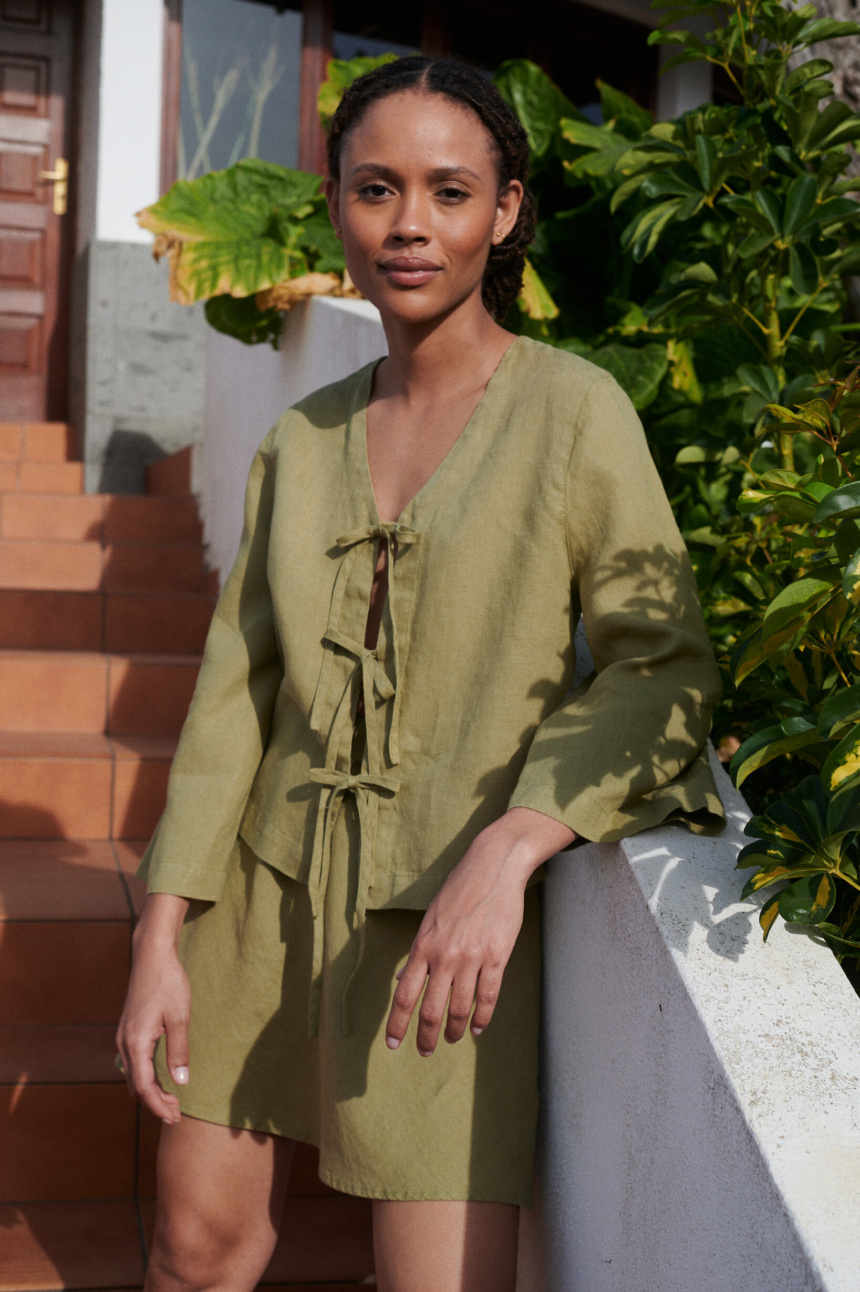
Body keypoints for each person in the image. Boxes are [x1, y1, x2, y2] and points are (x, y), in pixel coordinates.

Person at [117, 56, 724, 1292]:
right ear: (335, 205)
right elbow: (233, 694)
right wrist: (162, 932)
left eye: (448, 192)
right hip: (254, 902)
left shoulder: (573, 411)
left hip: (443, 929)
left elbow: (662, 668)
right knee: (193, 1250)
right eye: (375, 188)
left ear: (502, 213)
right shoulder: (301, 436)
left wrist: (512, 847)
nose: (408, 225)